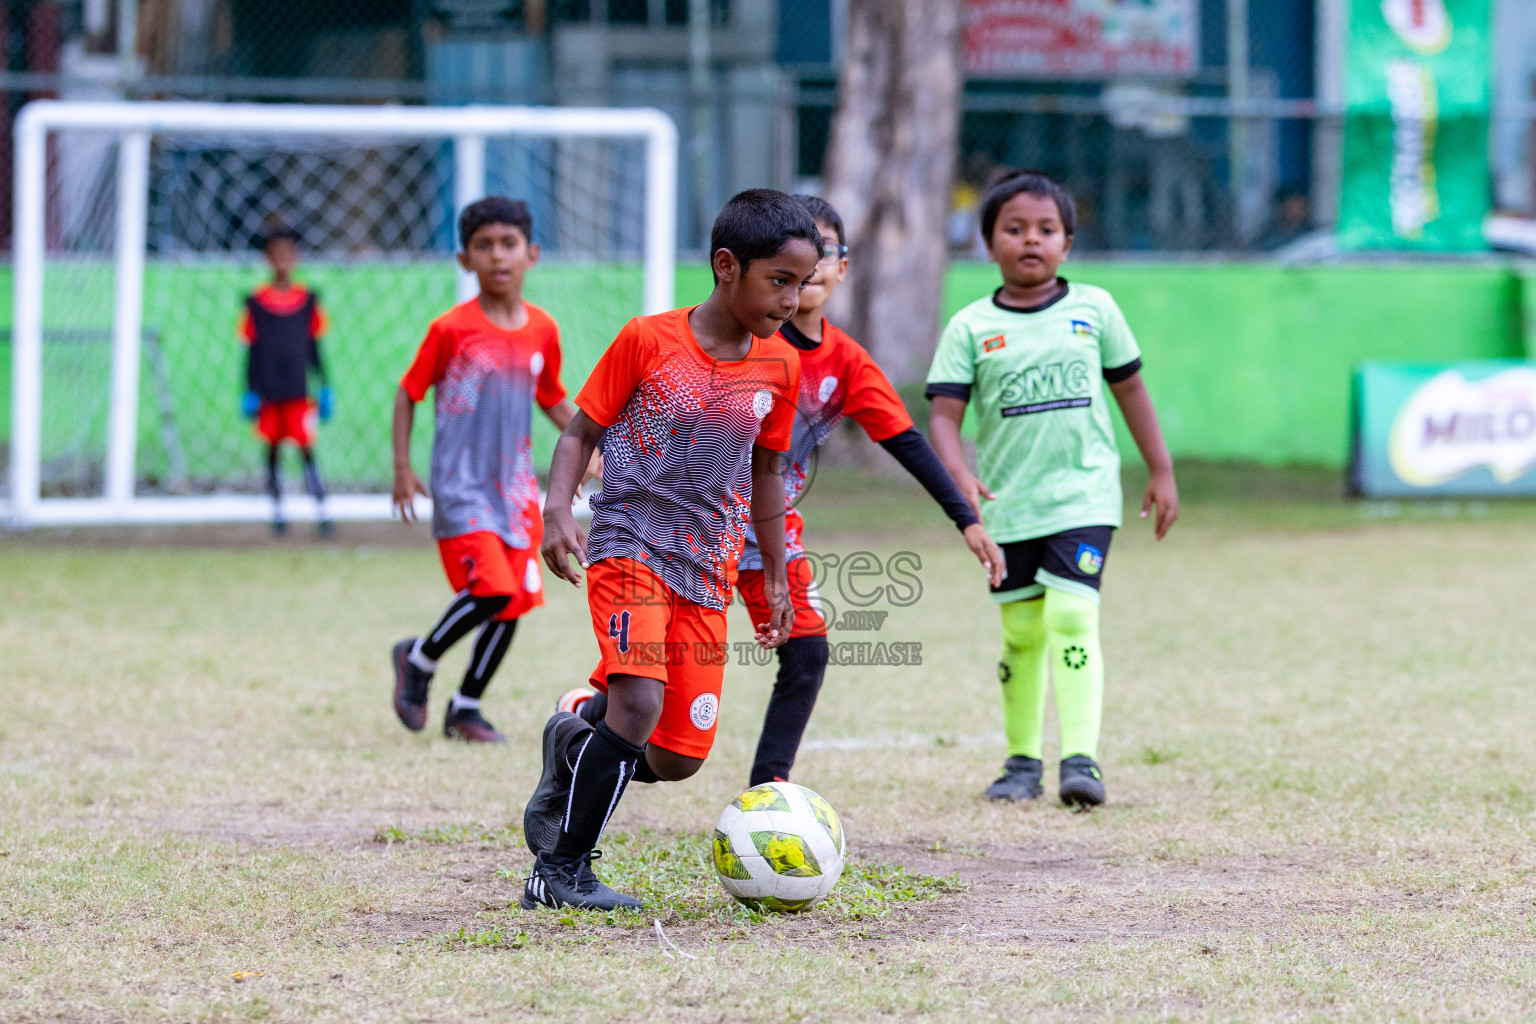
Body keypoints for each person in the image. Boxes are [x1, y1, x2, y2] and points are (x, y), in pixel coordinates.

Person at [557, 195, 1004, 788]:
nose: (803, 284)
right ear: (739, 267)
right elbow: (611, 415)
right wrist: (581, 468)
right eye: (785, 274)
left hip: (762, 530)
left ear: (839, 267)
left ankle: (769, 793)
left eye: (820, 261)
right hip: (670, 534)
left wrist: (963, 517)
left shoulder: (838, 361)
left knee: (805, 651)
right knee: (642, 692)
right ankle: (592, 737)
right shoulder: (720, 333)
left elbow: (903, 441)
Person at [522, 189, 819, 911]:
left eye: (801, 284)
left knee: (678, 756)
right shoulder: (648, 340)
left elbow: (769, 472)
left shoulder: (780, 369)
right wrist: (558, 509)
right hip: (629, 543)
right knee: (638, 704)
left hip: (707, 566)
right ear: (727, 266)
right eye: (779, 280)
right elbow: (579, 432)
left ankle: (572, 738)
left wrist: (777, 575)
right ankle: (559, 872)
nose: (792, 299)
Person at [926, 170, 1179, 808]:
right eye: (1014, 229)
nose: (1030, 241)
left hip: (1085, 496)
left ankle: (1081, 762)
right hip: (1008, 506)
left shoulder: (1095, 310)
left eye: (1046, 230)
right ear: (989, 244)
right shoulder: (970, 326)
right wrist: (956, 470)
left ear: (1067, 243)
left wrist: (1161, 469)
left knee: (1070, 614)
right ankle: (1020, 764)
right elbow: (944, 415)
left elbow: (1131, 391)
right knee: (1020, 634)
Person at [388, 196, 596, 744]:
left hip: (516, 492)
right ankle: (420, 659)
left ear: (532, 253)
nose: (497, 256)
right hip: (461, 488)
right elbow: (408, 393)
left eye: (508, 245)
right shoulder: (451, 330)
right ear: (465, 260)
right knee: (494, 591)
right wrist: (402, 467)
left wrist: (593, 447)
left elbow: (552, 397)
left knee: (514, 604)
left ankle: (465, 708)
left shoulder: (543, 331)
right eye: (484, 246)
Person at [239, 227, 333, 535]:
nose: (283, 261)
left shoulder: (308, 301)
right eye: (276, 255)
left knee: (306, 449)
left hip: (298, 391)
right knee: (273, 450)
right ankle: (277, 511)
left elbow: (315, 349)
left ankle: (321, 509)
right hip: (268, 392)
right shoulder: (254, 303)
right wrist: (249, 391)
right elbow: (250, 352)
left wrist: (324, 386)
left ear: (296, 258)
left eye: (288, 254)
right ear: (267, 259)